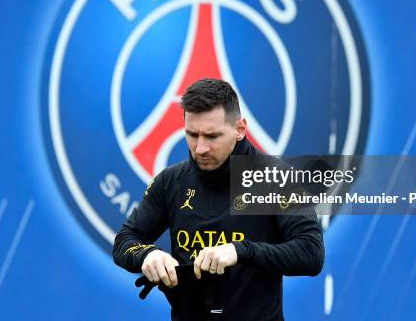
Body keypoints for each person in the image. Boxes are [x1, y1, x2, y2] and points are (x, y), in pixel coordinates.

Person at [113, 78, 324, 320]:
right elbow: (125, 241)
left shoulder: (276, 179)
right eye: (192, 135)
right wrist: (147, 255)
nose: (200, 148)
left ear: (240, 129)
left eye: (212, 136)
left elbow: (311, 253)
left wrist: (240, 251)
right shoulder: (171, 181)